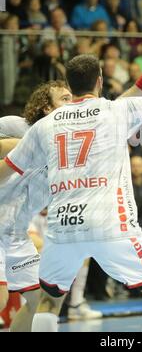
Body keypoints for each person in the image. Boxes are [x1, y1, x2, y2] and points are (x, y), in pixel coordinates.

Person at [0, 47, 142, 332]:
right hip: (111, 223)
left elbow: (5, 169)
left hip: (62, 226)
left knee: (47, 302)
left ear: (70, 85)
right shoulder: (117, 110)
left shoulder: (44, 126)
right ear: (100, 81)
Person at [0, 81, 72, 332]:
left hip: (17, 234)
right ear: (45, 107)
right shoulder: (16, 125)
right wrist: (26, 146)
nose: (71, 104)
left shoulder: (68, 150)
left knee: (38, 302)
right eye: (64, 98)